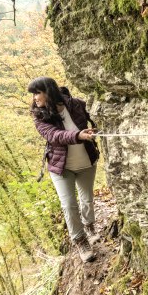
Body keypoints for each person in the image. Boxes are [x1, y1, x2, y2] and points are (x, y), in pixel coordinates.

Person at [27, 76, 100, 263]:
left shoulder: (76, 104)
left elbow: (95, 116)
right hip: (61, 167)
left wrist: (96, 129)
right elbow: (54, 135)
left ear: (48, 91)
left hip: (86, 162)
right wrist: (78, 135)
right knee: (68, 205)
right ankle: (81, 241)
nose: (35, 98)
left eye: (37, 93)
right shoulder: (39, 116)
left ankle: (89, 225)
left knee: (87, 199)